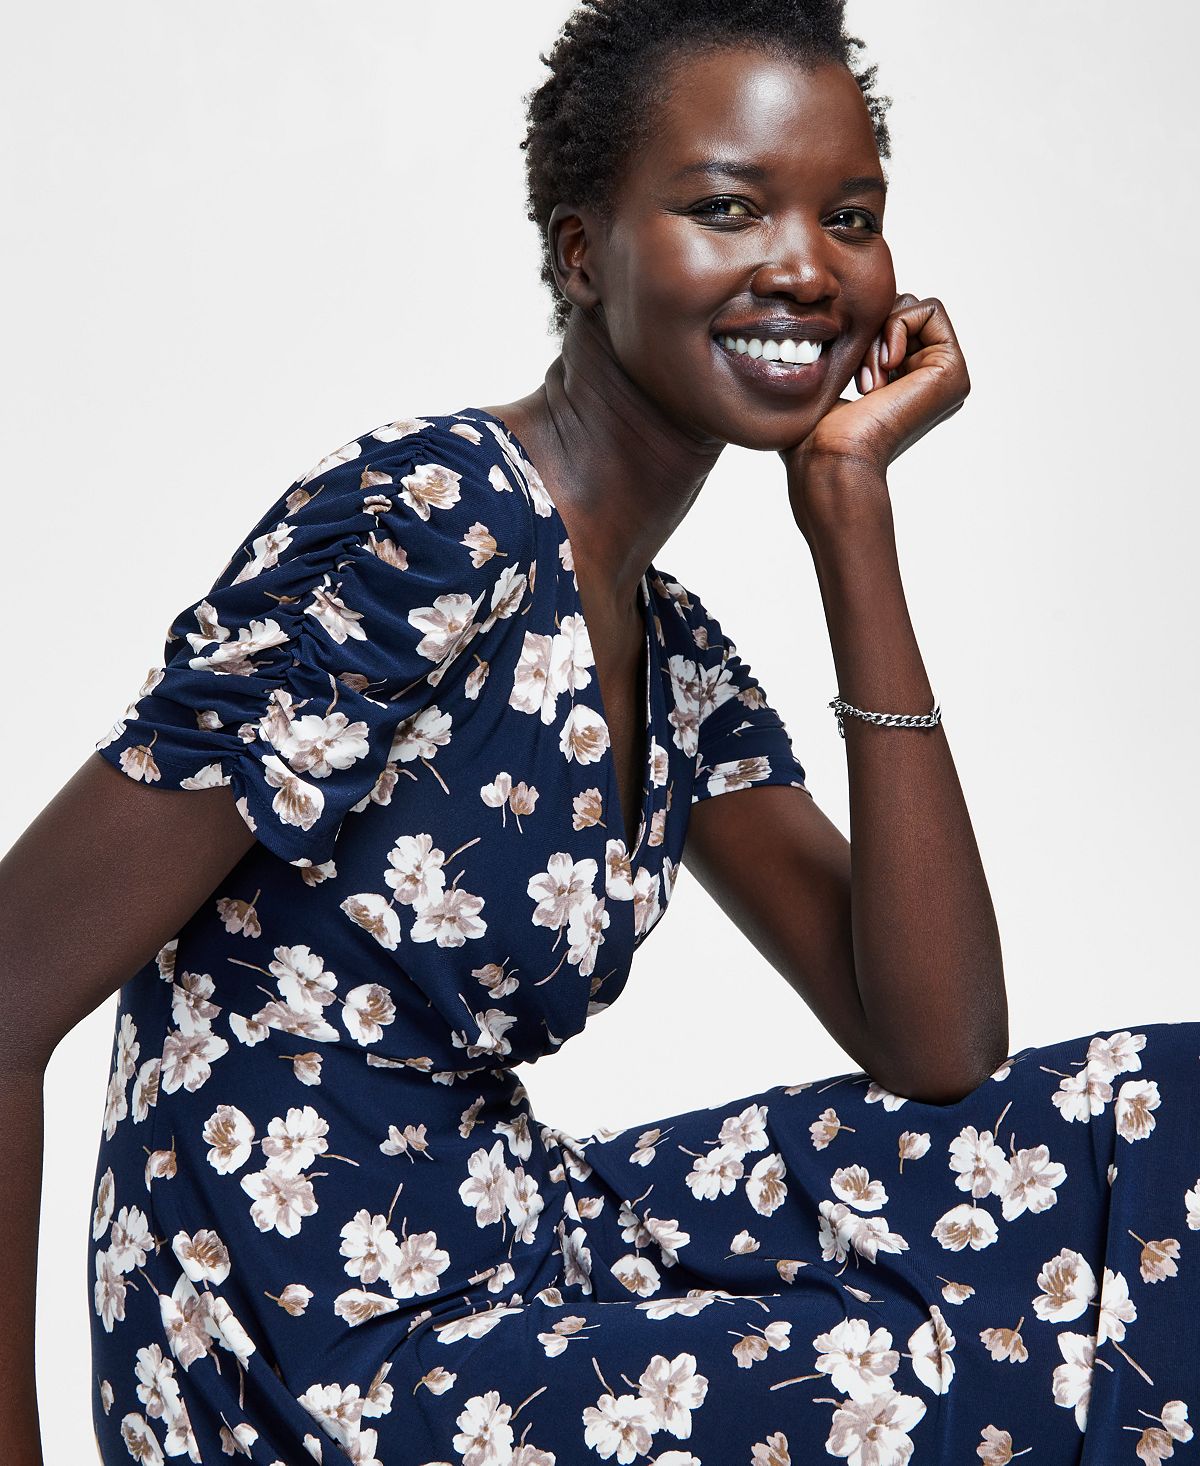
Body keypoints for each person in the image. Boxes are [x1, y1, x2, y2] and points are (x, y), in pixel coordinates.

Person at [2, 1, 1196, 1462]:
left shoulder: (670, 651)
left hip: (514, 1237)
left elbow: (939, 1044)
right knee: (905, 1376)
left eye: (851, 216)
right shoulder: (427, 525)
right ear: (583, 252)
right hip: (308, 1357)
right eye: (728, 207)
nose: (805, 265)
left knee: (1155, 1113)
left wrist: (849, 513)